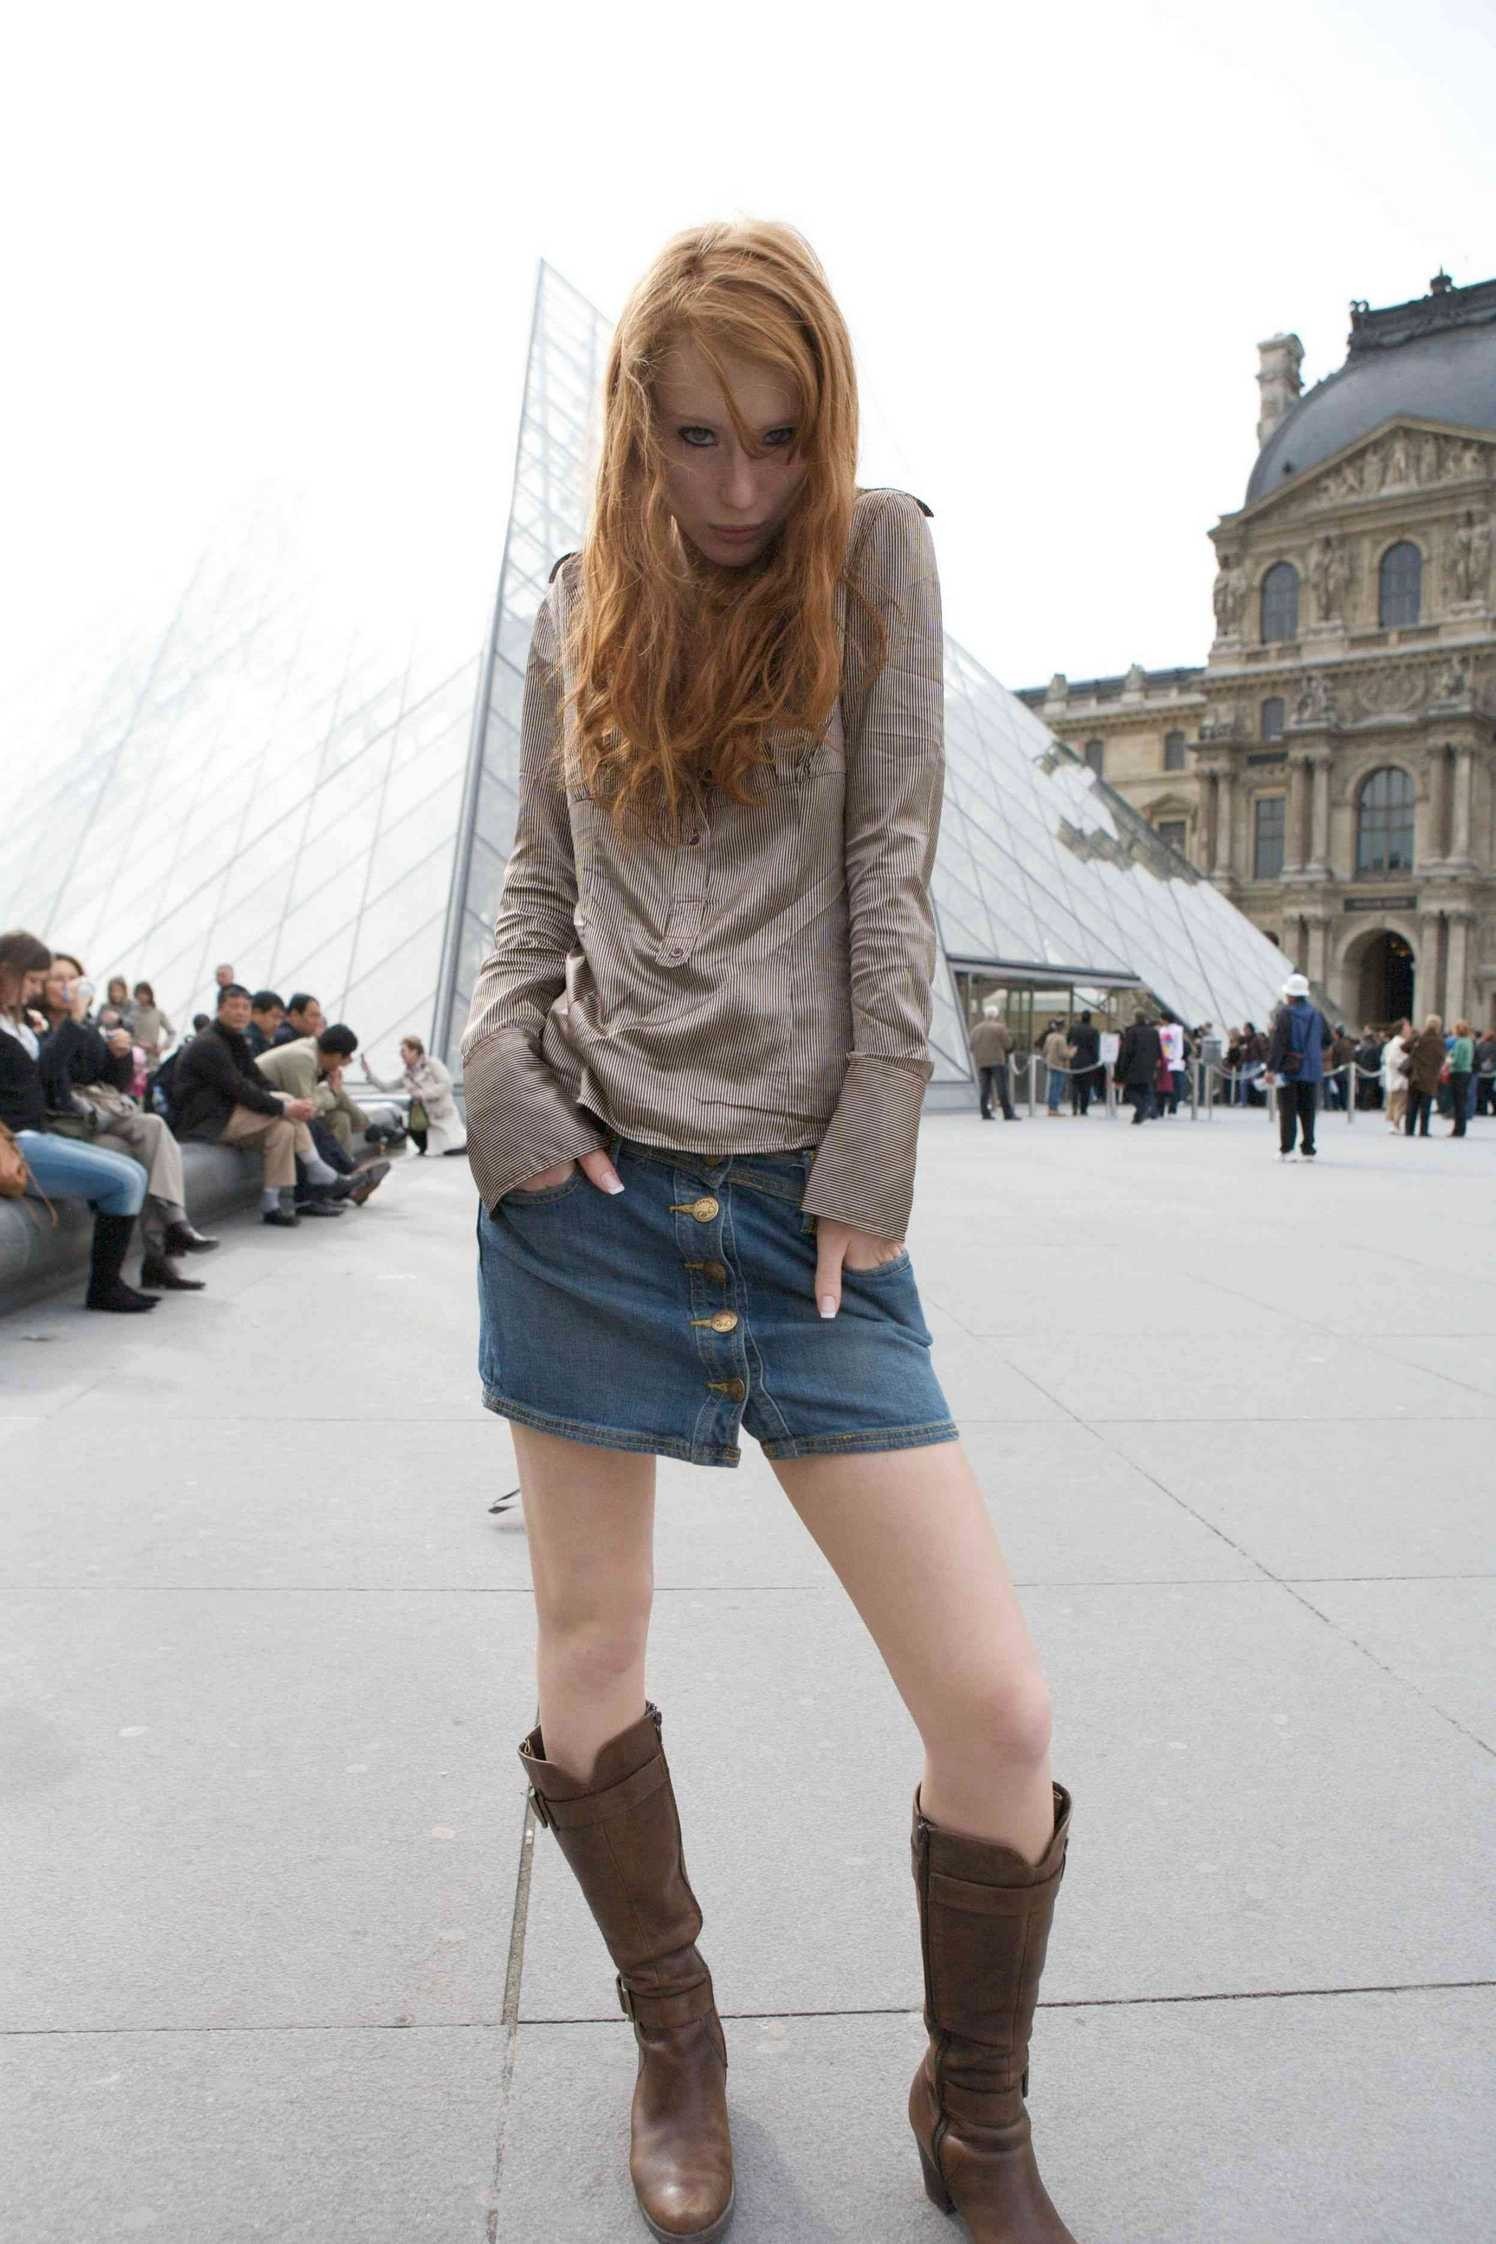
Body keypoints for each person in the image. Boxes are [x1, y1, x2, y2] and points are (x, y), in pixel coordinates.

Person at [459, 222, 1079, 2244]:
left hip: (808, 1217)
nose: (741, 490)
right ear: (635, 428)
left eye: (780, 441)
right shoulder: (573, 613)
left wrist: (873, 1151)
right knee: (587, 1664)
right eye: (700, 442)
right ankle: (676, 2041)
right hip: (595, 1199)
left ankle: (967, 2110)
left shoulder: (873, 560)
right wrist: (509, 1103)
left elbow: (891, 877)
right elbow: (530, 903)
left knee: (992, 1712)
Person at [0, 930, 158, 1312]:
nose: (35, 989)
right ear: (7, 972)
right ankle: (105, 1288)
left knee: (132, 1174)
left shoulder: (19, 1025)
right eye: (33, 980)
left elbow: (45, 1077)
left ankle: (108, 1284)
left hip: (33, 1135)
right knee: (125, 1179)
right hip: (15, 1142)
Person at [37, 968, 217, 1289]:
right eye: (59, 980)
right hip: (64, 1122)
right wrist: (74, 1024)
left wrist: (118, 1056)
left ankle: (172, 1228)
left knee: (154, 1127)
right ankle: (160, 1253)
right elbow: (48, 1076)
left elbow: (110, 1081)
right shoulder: (33, 1026)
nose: (69, 987)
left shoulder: (89, 1027)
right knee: (135, 1157)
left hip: (96, 1115)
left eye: (73, 980)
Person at [169, 984, 333, 1225]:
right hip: (207, 1120)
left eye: (245, 1007)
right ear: (219, 1009)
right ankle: (316, 1166)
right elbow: (239, 1088)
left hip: (227, 1114)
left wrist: (289, 1102)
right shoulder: (210, 1044)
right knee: (286, 1111)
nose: (240, 1012)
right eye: (234, 1006)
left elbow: (257, 1079)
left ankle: (271, 1202)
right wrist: (286, 1106)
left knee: (283, 1130)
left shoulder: (235, 1039)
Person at [253, 1025, 392, 1205]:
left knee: (338, 1118)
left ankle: (346, 1181)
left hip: (276, 1106)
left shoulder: (310, 1053)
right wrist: (333, 1093)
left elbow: (309, 1102)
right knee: (312, 1126)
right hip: (257, 1109)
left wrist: (331, 1094)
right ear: (335, 1055)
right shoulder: (302, 1058)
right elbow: (307, 1106)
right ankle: (348, 1177)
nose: (346, 1062)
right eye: (346, 1057)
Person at [363, 1036, 466, 1153]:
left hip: (443, 1114)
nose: (401, 1054)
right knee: (432, 1144)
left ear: (414, 1051)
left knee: (453, 1146)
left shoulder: (432, 1064)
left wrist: (423, 1094)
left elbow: (446, 1084)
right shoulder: (406, 1074)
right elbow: (388, 1087)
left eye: (404, 1051)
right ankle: (424, 1146)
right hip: (425, 1118)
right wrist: (369, 1075)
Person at [1265, 972, 1327, 1161]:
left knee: (1288, 1110)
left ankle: (1287, 1149)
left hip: (1290, 1068)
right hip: (1312, 1069)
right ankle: (1308, 1149)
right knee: (1308, 1111)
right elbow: (1328, 1039)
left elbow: (1279, 1044)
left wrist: (1271, 1068)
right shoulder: (1317, 1014)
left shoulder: (1285, 1013)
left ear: (1290, 995)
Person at [1115, 1011, 1163, 1122]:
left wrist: (1122, 1068)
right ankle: (1139, 1116)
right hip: (1149, 1066)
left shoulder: (1132, 1032)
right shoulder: (1153, 1032)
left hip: (1134, 1066)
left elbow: (1127, 1052)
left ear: (1136, 1019)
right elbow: (1158, 1050)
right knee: (1145, 1090)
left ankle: (1142, 1108)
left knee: (1130, 1090)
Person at [1404, 1014, 1445, 1138]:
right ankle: (1424, 1130)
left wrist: (1414, 1054)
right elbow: (1441, 1058)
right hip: (1430, 1077)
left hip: (1415, 1075)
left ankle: (1409, 1129)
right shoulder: (1439, 1041)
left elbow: (1404, 1047)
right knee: (1425, 1106)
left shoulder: (1418, 1037)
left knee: (1412, 1104)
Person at [129, 981, 175, 1071]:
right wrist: (137, 1043)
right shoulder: (131, 1014)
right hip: (134, 1057)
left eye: (144, 993)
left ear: (150, 995)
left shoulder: (158, 1013)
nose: (141, 997)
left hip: (152, 1058)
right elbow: (126, 1033)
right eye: (139, 994)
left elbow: (171, 1033)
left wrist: (162, 1047)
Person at [1446, 1019, 1475, 1139]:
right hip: (1467, 1072)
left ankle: (1457, 1129)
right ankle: (1460, 1129)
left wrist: (1449, 1060)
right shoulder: (1469, 1042)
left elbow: (1456, 1060)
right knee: (1461, 1101)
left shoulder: (1460, 1043)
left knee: (1458, 1102)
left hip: (1458, 1072)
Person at [1068, 1010, 1100, 1116]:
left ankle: (1074, 1107)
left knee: (1075, 1085)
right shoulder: (1094, 1031)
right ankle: (1083, 1109)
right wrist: (1096, 1060)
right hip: (1088, 1061)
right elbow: (1095, 1048)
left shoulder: (1074, 1029)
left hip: (1075, 1059)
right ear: (1090, 1018)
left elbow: (1068, 1042)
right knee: (1086, 1086)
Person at [1382, 1019, 1411, 1133]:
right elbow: (1392, 1060)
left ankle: (1396, 1123)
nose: (1409, 1030)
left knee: (1399, 1102)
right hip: (1399, 1076)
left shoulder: (1398, 1042)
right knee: (1400, 1102)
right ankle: (1395, 1123)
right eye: (1407, 1028)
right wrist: (1405, 1064)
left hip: (1398, 1077)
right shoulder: (1398, 1043)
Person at [1041, 1018, 1072, 1115]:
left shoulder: (1049, 1036)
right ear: (1063, 1027)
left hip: (1050, 1064)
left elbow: (1045, 1050)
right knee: (1057, 1087)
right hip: (1059, 1065)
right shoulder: (1061, 1038)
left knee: (1052, 1086)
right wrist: (1072, 1052)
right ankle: (1054, 1109)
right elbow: (1064, 1054)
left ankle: (1051, 1108)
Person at [1157, 1016, 1185, 1115]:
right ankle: (1166, 1108)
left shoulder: (1175, 1030)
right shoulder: (1163, 1030)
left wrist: (1173, 1057)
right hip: (1168, 1061)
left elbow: (1176, 1046)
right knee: (1167, 1086)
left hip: (1171, 1062)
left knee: (1170, 1087)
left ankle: (1168, 1108)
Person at [245, 990, 286, 1057]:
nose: (277, 1023)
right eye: (274, 1016)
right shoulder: (249, 1040)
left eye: (281, 1018)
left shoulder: (264, 1039)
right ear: (256, 1013)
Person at [1476, 1028, 1496, 1118]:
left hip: (1481, 1072)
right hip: (1491, 1073)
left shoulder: (1480, 1045)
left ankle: (1482, 1109)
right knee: (1491, 1092)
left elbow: (1477, 1056)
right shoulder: (1494, 1046)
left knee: (1481, 1092)